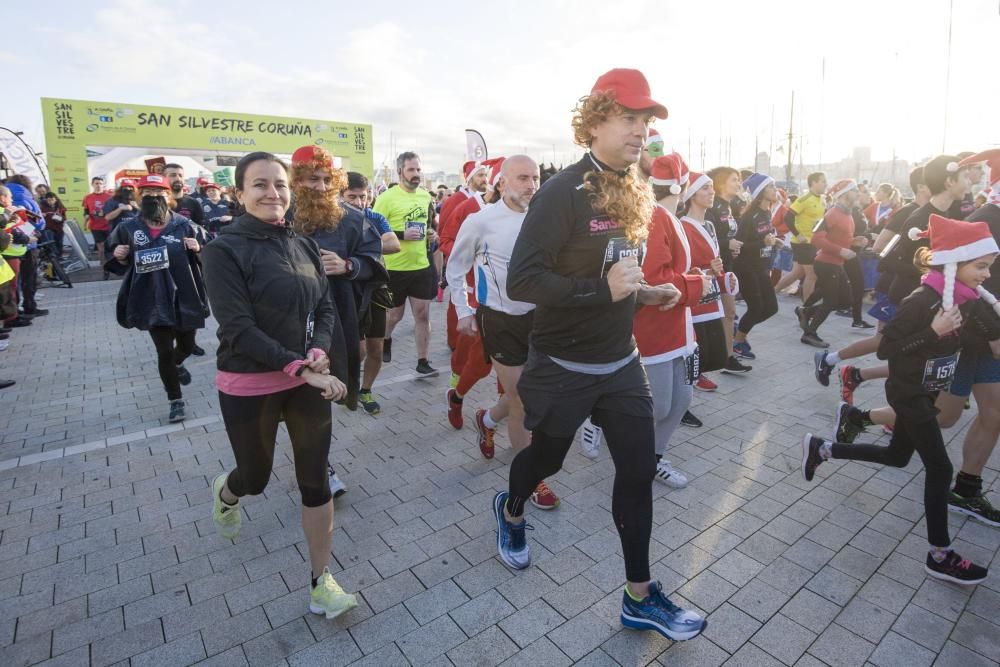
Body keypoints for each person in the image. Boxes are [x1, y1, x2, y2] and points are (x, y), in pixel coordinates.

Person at [496, 68, 707, 642]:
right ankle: (512, 507)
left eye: (646, 121)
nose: (641, 131)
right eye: (629, 118)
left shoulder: (637, 185)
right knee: (546, 460)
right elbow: (522, 281)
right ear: (594, 121)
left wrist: (644, 291)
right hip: (564, 364)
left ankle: (639, 595)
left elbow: (618, 269)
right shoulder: (563, 190)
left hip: (621, 361)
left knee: (636, 472)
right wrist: (602, 290)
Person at [200, 151, 356, 620]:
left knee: (315, 480)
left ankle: (321, 582)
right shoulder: (223, 250)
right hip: (249, 383)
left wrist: (316, 352)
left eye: (280, 185)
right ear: (240, 193)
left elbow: (324, 307)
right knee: (256, 478)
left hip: (305, 378)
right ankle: (226, 493)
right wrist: (303, 367)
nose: (274, 193)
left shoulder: (303, 243)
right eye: (261, 185)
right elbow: (238, 328)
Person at [803, 214, 1000, 584]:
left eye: (989, 267)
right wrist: (932, 331)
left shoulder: (968, 299)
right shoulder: (923, 299)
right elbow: (888, 349)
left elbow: (992, 334)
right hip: (908, 392)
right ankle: (939, 554)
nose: (987, 274)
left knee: (897, 457)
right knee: (940, 469)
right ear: (955, 262)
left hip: (926, 390)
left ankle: (823, 448)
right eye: (981, 266)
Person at [447, 155, 559, 509]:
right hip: (500, 320)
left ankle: (487, 418)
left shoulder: (544, 219)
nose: (530, 185)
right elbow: (455, 268)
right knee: (522, 402)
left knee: (527, 395)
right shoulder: (481, 221)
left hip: (540, 319)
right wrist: (464, 311)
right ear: (502, 183)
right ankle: (531, 478)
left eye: (535, 177)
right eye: (522, 178)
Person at [637, 156, 716, 487]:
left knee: (682, 400)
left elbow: (669, 273)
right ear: (682, 186)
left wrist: (694, 276)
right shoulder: (657, 217)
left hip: (679, 326)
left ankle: (653, 458)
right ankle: (606, 424)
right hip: (658, 327)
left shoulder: (665, 216)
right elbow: (655, 279)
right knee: (660, 405)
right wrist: (697, 284)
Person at [104, 174, 208, 422]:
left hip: (185, 296)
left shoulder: (185, 225)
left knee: (185, 346)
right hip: (150, 299)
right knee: (163, 352)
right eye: (147, 191)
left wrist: (199, 248)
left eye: (158, 191)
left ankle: (179, 362)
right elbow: (114, 260)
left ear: (169, 196)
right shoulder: (128, 227)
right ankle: (175, 400)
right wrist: (118, 255)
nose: (153, 196)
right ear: (140, 197)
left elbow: (212, 252)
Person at [937, 149, 1000, 526]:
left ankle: (966, 489)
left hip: (989, 339)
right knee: (943, 417)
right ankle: (861, 416)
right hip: (968, 337)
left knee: (995, 414)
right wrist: (993, 335)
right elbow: (960, 286)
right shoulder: (986, 219)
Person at [373, 152, 438, 377]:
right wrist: (401, 234)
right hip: (395, 268)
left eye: (418, 170)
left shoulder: (425, 196)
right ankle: (387, 337)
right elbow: (371, 231)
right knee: (395, 316)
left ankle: (423, 361)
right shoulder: (386, 198)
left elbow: (430, 224)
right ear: (400, 172)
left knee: (422, 315)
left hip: (420, 266)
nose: (416, 174)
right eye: (411, 170)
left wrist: (432, 234)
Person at [342, 171, 400, 416]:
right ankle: (349, 385)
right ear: (340, 196)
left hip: (375, 289)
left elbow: (394, 244)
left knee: (376, 347)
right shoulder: (332, 222)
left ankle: (366, 389)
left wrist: (356, 252)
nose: (358, 202)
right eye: (351, 197)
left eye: (362, 197)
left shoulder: (374, 217)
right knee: (359, 350)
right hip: (347, 292)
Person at [799, 179, 859, 348]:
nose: (858, 194)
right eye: (854, 190)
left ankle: (807, 311)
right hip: (827, 263)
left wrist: (855, 242)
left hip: (836, 263)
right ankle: (809, 333)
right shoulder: (832, 214)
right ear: (845, 194)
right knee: (831, 302)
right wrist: (840, 251)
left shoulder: (847, 214)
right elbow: (817, 239)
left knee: (846, 300)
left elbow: (840, 238)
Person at [705, 166, 751, 373]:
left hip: (727, 265)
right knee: (726, 313)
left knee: (729, 313)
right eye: (734, 179)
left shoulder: (728, 206)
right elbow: (705, 237)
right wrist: (727, 245)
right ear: (721, 183)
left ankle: (727, 357)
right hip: (713, 268)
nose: (739, 183)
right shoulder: (712, 206)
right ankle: (723, 357)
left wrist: (731, 248)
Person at [440, 161, 488, 352]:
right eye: (480, 175)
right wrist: (466, 255)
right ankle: (455, 344)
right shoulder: (456, 201)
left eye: (486, 175)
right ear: (469, 179)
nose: (484, 179)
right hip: (463, 268)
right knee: (458, 305)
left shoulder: (492, 202)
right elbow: (444, 237)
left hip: (483, 272)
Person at [733, 173, 781, 359]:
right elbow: (739, 245)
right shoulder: (749, 216)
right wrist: (763, 242)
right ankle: (738, 342)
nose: (775, 189)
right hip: (746, 267)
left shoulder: (766, 212)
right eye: (771, 186)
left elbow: (764, 239)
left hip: (761, 267)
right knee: (756, 308)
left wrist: (773, 242)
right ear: (760, 192)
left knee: (771, 308)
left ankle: (739, 331)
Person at [775, 172, 827, 300]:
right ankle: (806, 307)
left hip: (813, 242)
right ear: (814, 182)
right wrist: (798, 235)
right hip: (802, 243)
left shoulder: (822, 199)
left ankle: (772, 292)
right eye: (823, 181)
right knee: (812, 275)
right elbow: (788, 217)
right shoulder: (804, 199)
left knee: (797, 273)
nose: (826, 184)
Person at [6, 175, 47, 317]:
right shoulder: (28, 198)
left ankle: (14, 312)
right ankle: (30, 306)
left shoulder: (6, 198)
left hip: (8, 247)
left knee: (12, 283)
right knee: (29, 279)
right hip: (28, 246)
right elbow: (39, 222)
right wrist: (30, 234)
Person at [82, 176, 114, 271]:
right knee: (101, 248)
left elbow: (114, 210)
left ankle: (112, 264)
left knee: (111, 246)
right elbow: (86, 211)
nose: (98, 185)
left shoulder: (110, 197)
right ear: (92, 185)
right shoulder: (87, 197)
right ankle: (103, 266)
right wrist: (86, 216)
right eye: (96, 183)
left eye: (100, 183)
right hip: (95, 226)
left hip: (109, 226)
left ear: (103, 185)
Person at [40, 192, 66, 257]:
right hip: (49, 228)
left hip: (59, 228)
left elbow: (64, 218)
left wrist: (58, 218)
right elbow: (38, 217)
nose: (50, 201)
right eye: (48, 200)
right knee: (51, 243)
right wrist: (42, 215)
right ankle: (54, 258)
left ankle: (60, 257)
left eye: (52, 199)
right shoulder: (42, 207)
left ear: (55, 199)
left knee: (59, 243)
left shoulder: (60, 207)